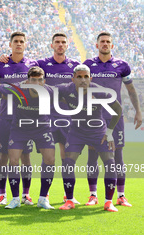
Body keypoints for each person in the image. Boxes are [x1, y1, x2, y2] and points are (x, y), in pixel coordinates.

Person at [83, 32, 142, 207]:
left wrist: (138, 111)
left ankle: (121, 195)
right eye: (102, 41)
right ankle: (93, 195)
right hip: (93, 117)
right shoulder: (87, 65)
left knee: (118, 156)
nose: (105, 44)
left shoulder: (122, 66)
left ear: (112, 45)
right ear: (96, 45)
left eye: (108, 42)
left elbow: (131, 90)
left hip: (115, 117)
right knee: (92, 154)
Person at [57, 65, 122, 212]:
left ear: (90, 78)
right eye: (79, 77)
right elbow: (46, 91)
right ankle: (69, 200)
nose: (83, 80)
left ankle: (108, 202)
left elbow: (118, 110)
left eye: (86, 77)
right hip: (76, 131)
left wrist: (110, 132)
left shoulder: (99, 91)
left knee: (110, 163)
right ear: (73, 79)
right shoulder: (66, 89)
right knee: (68, 162)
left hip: (98, 131)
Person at [0, 31, 38, 207]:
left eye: (21, 41)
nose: (18, 44)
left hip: (25, 117)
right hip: (5, 116)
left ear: (25, 44)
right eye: (15, 41)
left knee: (25, 156)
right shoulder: (0, 65)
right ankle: (2, 194)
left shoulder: (32, 65)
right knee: (3, 155)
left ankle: (26, 194)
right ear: (10, 45)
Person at [0, 66, 56, 209]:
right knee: (13, 161)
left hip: (41, 127)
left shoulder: (50, 91)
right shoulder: (18, 89)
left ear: (44, 81)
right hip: (19, 128)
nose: (36, 83)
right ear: (27, 81)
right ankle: (15, 199)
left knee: (50, 159)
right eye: (33, 80)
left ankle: (43, 198)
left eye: (39, 80)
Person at [37, 32, 81, 204]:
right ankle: (44, 195)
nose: (60, 45)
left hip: (68, 118)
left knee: (67, 157)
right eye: (57, 42)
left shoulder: (76, 66)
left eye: (63, 42)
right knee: (48, 158)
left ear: (67, 45)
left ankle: (68, 196)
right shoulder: (42, 64)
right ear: (52, 45)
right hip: (47, 117)